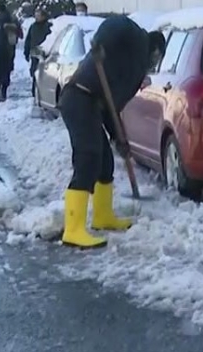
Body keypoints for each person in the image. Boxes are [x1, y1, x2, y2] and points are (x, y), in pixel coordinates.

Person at [58, 15, 165, 248]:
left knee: (104, 163)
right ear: (155, 50)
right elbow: (117, 23)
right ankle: (73, 229)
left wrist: (119, 139)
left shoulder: (132, 69)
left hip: (93, 103)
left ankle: (102, 216)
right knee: (88, 157)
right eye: (157, 57)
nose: (155, 63)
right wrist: (101, 43)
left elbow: (111, 106)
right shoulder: (136, 41)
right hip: (78, 97)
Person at [0, 3, 22, 101]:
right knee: (6, 71)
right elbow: (20, 34)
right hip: (9, 50)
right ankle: (4, 91)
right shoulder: (13, 20)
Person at [23, 8, 52, 98]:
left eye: (39, 16)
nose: (37, 17)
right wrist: (26, 52)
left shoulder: (49, 26)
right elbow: (28, 40)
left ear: (43, 16)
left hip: (46, 52)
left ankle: (44, 92)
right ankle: (34, 91)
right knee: (35, 72)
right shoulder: (33, 26)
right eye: (36, 16)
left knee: (45, 73)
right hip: (35, 52)